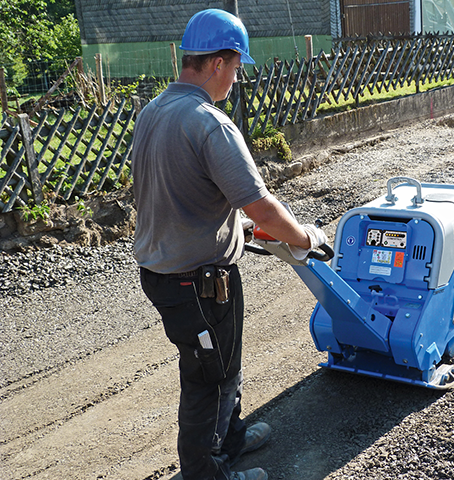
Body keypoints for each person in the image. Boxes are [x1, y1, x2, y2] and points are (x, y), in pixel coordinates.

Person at [131, 9, 326, 480]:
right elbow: (260, 205)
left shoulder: (153, 111)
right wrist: (305, 240)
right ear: (218, 62)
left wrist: (229, 226)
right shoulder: (209, 123)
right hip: (195, 282)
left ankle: (230, 438)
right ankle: (207, 474)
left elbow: (177, 189)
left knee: (225, 363)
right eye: (237, 68)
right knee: (208, 379)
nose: (236, 80)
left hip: (171, 271)